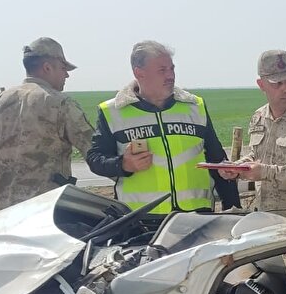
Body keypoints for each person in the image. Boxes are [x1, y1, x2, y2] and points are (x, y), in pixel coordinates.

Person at [87, 41, 240, 215]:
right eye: (162, 70)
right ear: (139, 73)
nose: (170, 75)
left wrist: (232, 209)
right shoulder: (113, 111)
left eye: (172, 68)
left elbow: (217, 161)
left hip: (197, 214)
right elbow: (95, 159)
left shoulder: (194, 106)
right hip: (141, 219)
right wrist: (123, 165)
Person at [0, 38, 92, 212]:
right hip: (48, 210)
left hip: (6, 210)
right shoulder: (61, 104)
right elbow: (93, 149)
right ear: (47, 67)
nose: (67, 75)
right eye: (63, 68)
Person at [213, 50, 286, 215]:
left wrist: (264, 171)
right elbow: (257, 155)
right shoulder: (259, 117)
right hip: (268, 217)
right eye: (278, 83)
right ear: (261, 85)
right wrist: (238, 168)